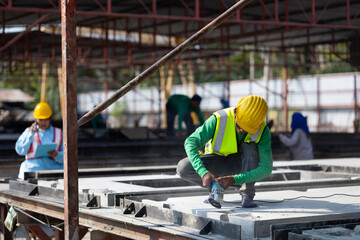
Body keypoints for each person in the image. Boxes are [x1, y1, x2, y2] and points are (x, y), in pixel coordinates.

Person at [177, 95, 273, 208]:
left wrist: (235, 179)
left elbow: (267, 168)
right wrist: (203, 172)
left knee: (250, 148)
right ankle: (215, 187)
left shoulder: (263, 130)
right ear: (236, 112)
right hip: (217, 164)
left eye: (248, 129)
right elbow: (190, 142)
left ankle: (247, 194)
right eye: (240, 126)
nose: (242, 131)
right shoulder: (219, 119)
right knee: (183, 167)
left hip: (242, 169)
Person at [15, 102, 63, 179]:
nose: (43, 122)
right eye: (41, 120)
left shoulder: (59, 133)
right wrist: (31, 134)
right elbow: (20, 151)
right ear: (36, 119)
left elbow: (68, 156)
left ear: (50, 118)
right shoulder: (28, 132)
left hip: (54, 170)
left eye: (46, 119)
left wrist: (57, 155)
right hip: (32, 170)